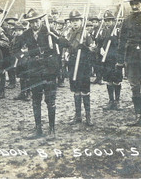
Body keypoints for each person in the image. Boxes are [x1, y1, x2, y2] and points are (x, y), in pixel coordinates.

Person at [14, 9, 60, 138]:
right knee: (36, 99)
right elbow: (15, 48)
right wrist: (24, 58)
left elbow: (63, 43)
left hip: (49, 70)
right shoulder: (26, 34)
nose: (35, 24)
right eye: (32, 22)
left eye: (37, 21)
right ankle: (38, 129)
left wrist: (54, 38)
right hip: (34, 71)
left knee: (50, 100)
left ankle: (52, 129)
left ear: (40, 20)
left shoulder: (48, 31)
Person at [59, 9, 96, 126]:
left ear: (81, 21)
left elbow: (93, 48)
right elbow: (64, 47)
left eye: (77, 20)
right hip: (72, 63)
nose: (75, 23)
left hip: (83, 64)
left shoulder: (85, 33)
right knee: (75, 90)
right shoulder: (68, 33)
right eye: (72, 21)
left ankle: (88, 117)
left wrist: (84, 47)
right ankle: (78, 116)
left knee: (85, 90)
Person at [99, 10, 122, 110]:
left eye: (109, 20)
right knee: (108, 80)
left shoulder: (117, 30)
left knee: (116, 80)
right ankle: (111, 100)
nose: (107, 22)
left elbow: (121, 44)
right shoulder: (103, 31)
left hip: (115, 58)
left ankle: (117, 101)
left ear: (113, 21)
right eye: (106, 20)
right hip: (106, 58)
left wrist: (115, 40)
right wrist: (100, 49)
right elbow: (99, 42)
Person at [10, 22, 31, 101]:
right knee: (21, 77)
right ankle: (22, 92)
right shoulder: (14, 39)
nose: (18, 32)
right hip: (19, 60)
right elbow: (12, 49)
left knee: (27, 77)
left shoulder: (26, 39)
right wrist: (18, 54)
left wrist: (23, 53)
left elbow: (28, 49)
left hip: (26, 60)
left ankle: (28, 93)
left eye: (20, 30)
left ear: (23, 31)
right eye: (16, 30)